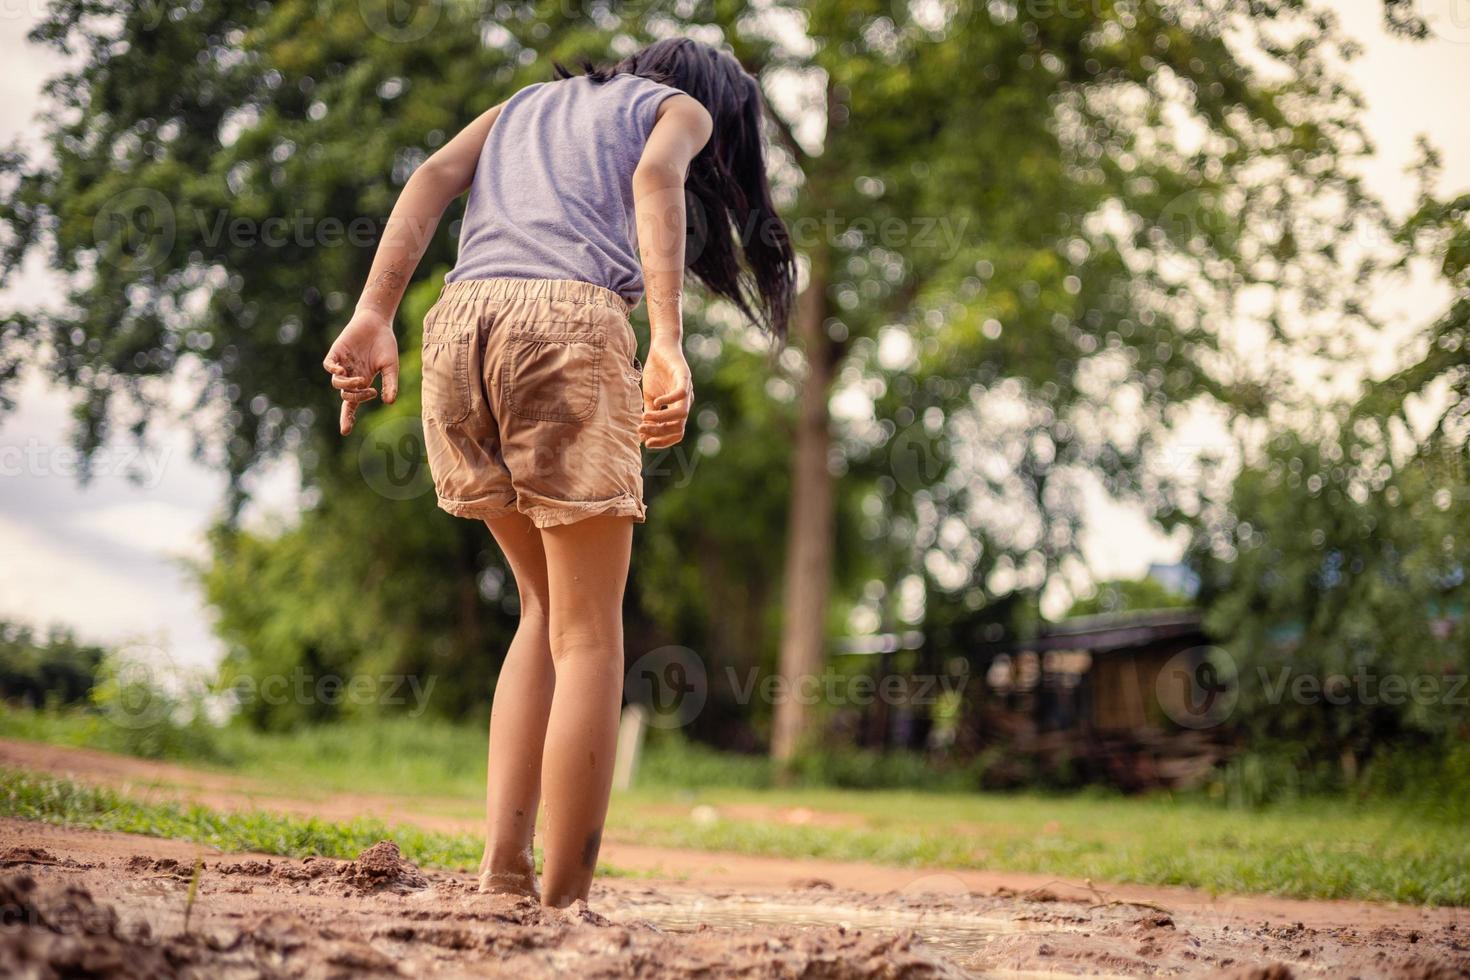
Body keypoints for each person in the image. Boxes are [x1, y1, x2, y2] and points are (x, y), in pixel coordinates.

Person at [322, 38, 795, 908]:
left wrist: (373, 313)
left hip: (459, 326)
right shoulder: (675, 108)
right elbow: (656, 182)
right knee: (588, 633)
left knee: (542, 612)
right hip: (568, 326)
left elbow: (429, 177)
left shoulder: (525, 106)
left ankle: (505, 873)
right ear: (712, 107)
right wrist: (666, 342)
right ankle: (568, 902)